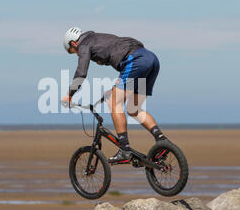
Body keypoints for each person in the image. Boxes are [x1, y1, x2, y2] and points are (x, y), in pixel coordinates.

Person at [61, 27, 167, 164]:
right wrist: (114, 89)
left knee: (114, 103)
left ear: (74, 43)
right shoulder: (99, 38)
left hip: (135, 60)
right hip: (150, 59)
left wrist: (69, 95)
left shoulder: (84, 44)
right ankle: (162, 141)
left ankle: (125, 149)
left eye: (73, 52)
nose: (77, 54)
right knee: (133, 109)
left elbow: (81, 73)